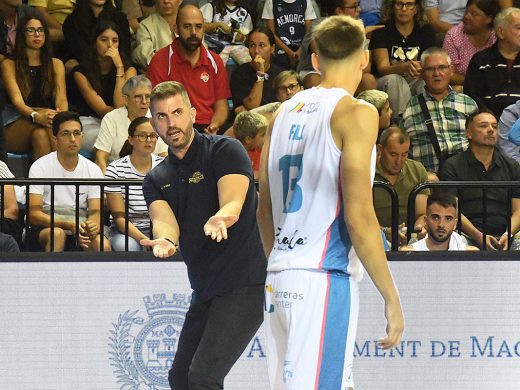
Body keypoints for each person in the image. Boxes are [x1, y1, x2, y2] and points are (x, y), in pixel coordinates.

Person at [257, 15, 404, 389]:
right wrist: (391, 295)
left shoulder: (281, 113)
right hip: (322, 279)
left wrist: (283, 263)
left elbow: (264, 208)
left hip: (279, 277)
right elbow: (358, 215)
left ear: (315, 60)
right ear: (365, 58)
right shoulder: (358, 112)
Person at [141, 81, 266, 390]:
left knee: (203, 378)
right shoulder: (156, 178)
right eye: (161, 116)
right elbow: (165, 222)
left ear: (193, 113)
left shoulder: (225, 149)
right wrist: (166, 241)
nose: (171, 123)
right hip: (206, 289)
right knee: (180, 378)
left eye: (177, 112)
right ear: (153, 123)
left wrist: (224, 216)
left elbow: (234, 198)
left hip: (244, 284)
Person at [27, 111, 111, 252]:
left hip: (81, 225)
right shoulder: (39, 166)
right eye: (66, 134)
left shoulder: (93, 170)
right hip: (48, 226)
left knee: (102, 244)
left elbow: (95, 212)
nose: (72, 139)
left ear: (82, 136)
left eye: (77, 133)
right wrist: (67, 224)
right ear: (55, 139)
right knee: (57, 234)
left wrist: (92, 226)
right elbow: (34, 215)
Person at [440, 110, 520, 250]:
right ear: (469, 133)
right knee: (454, 246)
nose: (490, 130)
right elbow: (452, 210)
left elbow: (518, 210)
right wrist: (478, 236)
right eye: (484, 126)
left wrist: (509, 234)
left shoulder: (511, 166)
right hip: (465, 234)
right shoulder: (452, 165)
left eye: (494, 127)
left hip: (506, 233)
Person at [147, 4, 230, 134]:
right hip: (174, 127)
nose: (193, 32)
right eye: (187, 27)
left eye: (198, 27)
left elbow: (221, 106)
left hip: (207, 129)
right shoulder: (161, 60)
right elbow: (156, 105)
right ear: (176, 29)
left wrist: (215, 124)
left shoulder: (215, 61)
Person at [1, 12, 68, 160]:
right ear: (21, 35)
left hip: (47, 121)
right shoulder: (9, 65)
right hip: (15, 120)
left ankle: (47, 183)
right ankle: (66, 179)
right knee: (47, 127)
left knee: (41, 135)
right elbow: (17, 102)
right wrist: (36, 115)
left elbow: (62, 99)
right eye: (31, 30)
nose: (36, 34)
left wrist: (59, 117)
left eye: (40, 30)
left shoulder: (56, 64)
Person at [400, 47, 478, 174]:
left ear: (451, 70)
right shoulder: (410, 107)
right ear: (422, 73)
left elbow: (479, 141)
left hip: (467, 177)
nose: (437, 73)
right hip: (427, 180)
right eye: (430, 69)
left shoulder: (468, 103)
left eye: (442, 67)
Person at [69, 20, 136, 155]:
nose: (110, 45)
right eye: (104, 40)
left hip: (121, 122)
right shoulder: (80, 72)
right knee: (114, 141)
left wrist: (119, 69)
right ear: (94, 43)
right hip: (90, 122)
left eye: (115, 41)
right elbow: (104, 110)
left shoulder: (129, 71)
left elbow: (120, 104)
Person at [105, 116, 163, 251]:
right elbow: (119, 219)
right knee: (127, 247)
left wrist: (163, 236)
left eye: (153, 136)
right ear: (130, 139)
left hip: (160, 228)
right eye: (142, 136)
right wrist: (147, 240)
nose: (149, 140)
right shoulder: (115, 169)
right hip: (125, 231)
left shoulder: (165, 165)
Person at [369, 0, 435, 119]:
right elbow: (382, 69)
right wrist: (403, 67)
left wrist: (421, 69)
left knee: (424, 80)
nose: (404, 9)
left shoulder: (426, 31)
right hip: (386, 81)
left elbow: (431, 63)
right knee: (395, 80)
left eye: (409, 4)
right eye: (399, 4)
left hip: (414, 79)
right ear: (392, 7)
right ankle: (402, 123)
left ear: (416, 8)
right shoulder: (382, 31)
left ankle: (427, 123)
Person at [296, 0, 378, 92]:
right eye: (354, 6)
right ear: (339, 11)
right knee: (314, 79)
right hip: (317, 71)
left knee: (368, 79)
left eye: (358, 5)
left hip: (347, 71)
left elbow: (365, 68)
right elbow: (322, 53)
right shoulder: (320, 25)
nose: (359, 9)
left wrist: (360, 36)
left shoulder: (359, 27)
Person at [93, 75, 167, 174]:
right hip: (118, 177)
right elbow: (100, 157)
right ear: (126, 100)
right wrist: (106, 185)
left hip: (152, 178)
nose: (144, 102)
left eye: (148, 96)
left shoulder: (158, 118)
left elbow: (164, 155)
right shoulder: (111, 118)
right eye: (138, 97)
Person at [373, 126, 428, 246]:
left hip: (409, 238)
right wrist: (383, 231)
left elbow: (422, 213)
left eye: (404, 154)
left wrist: (418, 229)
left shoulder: (417, 170)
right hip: (374, 237)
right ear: (380, 149)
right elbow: (360, 217)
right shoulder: (366, 172)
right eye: (393, 154)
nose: (399, 161)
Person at [464, 7, 520, 118]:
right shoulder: (480, 61)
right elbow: (472, 98)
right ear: (501, 32)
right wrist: (491, 121)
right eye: (518, 28)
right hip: (490, 125)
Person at [442, 0, 499, 92]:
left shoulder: (498, 36)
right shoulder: (454, 36)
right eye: (466, 12)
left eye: (474, 14)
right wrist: (478, 82)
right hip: (463, 87)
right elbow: (448, 73)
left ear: (489, 18)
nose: (467, 16)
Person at [61, 0, 131, 70]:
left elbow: (125, 52)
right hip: (86, 70)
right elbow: (77, 54)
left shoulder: (120, 18)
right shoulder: (72, 21)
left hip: (116, 68)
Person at [400, 192, 479, 251]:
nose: (441, 225)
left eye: (448, 219)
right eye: (435, 218)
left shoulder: (470, 254)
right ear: (426, 221)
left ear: (455, 224)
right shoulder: (410, 253)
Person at [230, 27, 283, 112]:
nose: (256, 51)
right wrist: (260, 74)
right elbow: (251, 105)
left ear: (272, 48)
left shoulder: (281, 74)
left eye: (262, 45)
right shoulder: (239, 74)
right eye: (252, 45)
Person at [261, 0, 317, 69]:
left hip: (302, 47)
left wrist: (299, 52)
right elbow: (271, 34)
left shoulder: (306, 1)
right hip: (281, 48)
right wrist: (290, 53)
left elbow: (309, 32)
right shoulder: (271, 2)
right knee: (282, 62)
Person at [132, 0, 181, 73]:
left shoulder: (189, 23)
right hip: (158, 78)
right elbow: (148, 60)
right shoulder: (145, 26)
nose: (166, 1)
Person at [200, 0, 253, 65]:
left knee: (249, 64)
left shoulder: (245, 13)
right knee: (215, 66)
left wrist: (242, 38)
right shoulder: (211, 7)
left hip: (237, 46)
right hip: (215, 46)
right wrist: (217, 24)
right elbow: (200, 27)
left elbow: (248, 36)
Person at [232, 110, 267, 179]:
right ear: (248, 139)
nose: (266, 138)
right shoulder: (235, 155)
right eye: (263, 135)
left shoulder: (261, 151)